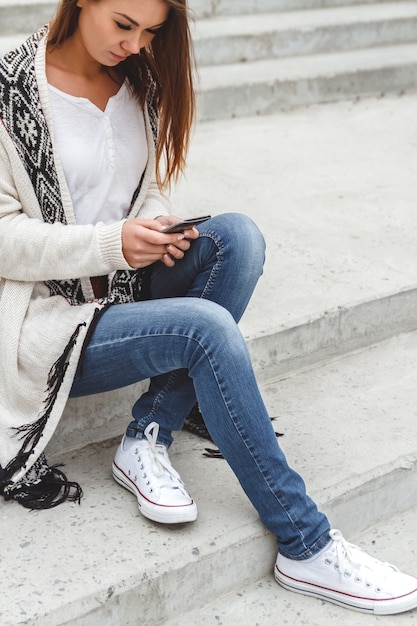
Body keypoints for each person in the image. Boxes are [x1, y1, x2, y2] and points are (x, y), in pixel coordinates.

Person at [0, 0, 416, 616]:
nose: (136, 44)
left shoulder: (138, 79)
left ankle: (147, 434)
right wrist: (114, 243)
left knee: (238, 239)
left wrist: (157, 226)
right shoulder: (11, 90)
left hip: (127, 288)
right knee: (206, 330)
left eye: (151, 32)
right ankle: (305, 543)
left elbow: (147, 186)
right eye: (123, 24)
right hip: (50, 321)